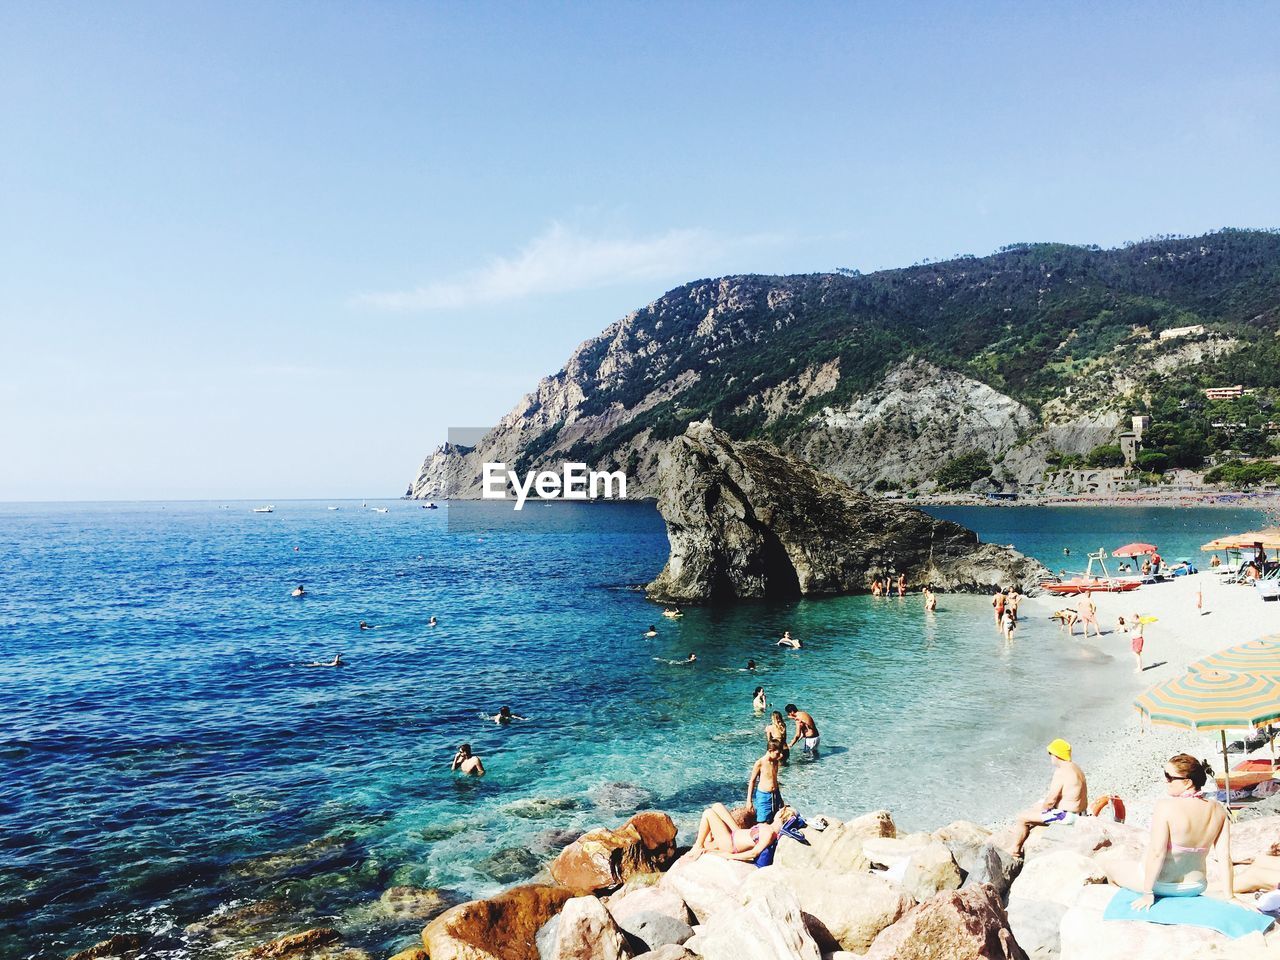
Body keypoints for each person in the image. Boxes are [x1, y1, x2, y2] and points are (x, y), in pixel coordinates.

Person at [1100, 754, 1227, 907]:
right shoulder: (1219, 810)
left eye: (1169, 777)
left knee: (1107, 866)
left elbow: (1157, 853)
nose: (1165, 780)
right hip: (1196, 885)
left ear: (1187, 782)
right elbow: (1225, 856)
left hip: (1162, 885)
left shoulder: (1165, 806)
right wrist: (1230, 896)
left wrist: (1148, 893)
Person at [1010, 739, 1088, 858]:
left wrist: (1042, 810)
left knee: (1022, 818)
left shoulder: (1061, 772)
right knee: (1036, 806)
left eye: (1050, 754)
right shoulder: (1075, 767)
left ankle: (1015, 850)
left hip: (1067, 816)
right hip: (1081, 813)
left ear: (1056, 755)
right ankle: (1023, 831)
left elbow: (1051, 800)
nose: (1050, 757)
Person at [688, 802, 797, 861]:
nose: (778, 811)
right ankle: (708, 841)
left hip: (730, 844)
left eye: (780, 810)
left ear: (782, 814)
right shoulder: (768, 827)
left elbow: (754, 853)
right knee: (717, 806)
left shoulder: (769, 833)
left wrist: (728, 856)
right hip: (736, 833)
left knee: (708, 813)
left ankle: (698, 845)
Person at [746, 744, 785, 824]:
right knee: (763, 820)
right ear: (770, 751)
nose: (780, 755)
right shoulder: (760, 763)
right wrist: (749, 801)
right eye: (777, 753)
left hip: (775, 793)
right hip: (764, 796)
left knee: (776, 819)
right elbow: (752, 781)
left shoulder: (775, 761)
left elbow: (774, 779)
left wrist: (780, 798)